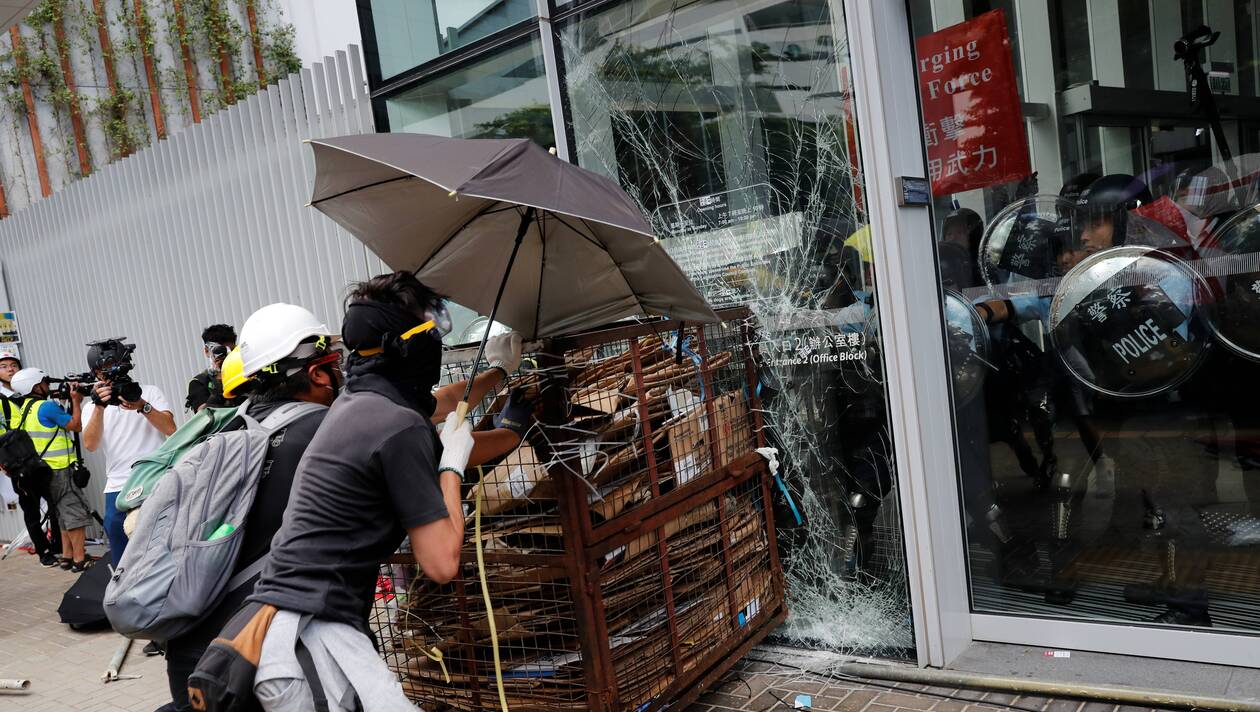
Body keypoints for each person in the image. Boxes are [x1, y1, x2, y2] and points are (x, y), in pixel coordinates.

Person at [229, 272, 522, 711]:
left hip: (287, 624)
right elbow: (441, 562)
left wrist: (499, 373)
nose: (436, 340)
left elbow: (440, 403)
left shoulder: (361, 400)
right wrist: (452, 467)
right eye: (429, 328)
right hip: (308, 642)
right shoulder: (396, 425)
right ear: (409, 346)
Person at [160, 303, 342, 712]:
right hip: (252, 650)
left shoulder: (230, 431)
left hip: (193, 640)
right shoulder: (322, 430)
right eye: (335, 363)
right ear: (316, 373)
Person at [80, 338, 176, 569]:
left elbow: (170, 429)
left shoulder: (150, 392)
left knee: (166, 536)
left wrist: (143, 405)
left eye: (115, 367)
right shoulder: (91, 407)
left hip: (156, 476)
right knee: (118, 537)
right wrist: (99, 408)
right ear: (96, 373)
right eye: (104, 371)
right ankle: (125, 586)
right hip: (118, 484)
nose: (110, 375)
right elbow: (91, 445)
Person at [9, 368, 90, 570]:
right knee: (73, 512)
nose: (48, 385)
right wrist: (77, 401)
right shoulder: (45, 407)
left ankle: (66, 556)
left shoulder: (25, 407)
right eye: (45, 381)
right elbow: (75, 425)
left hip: (41, 471)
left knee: (61, 513)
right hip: (59, 468)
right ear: (36, 385)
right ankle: (80, 560)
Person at [185, 324, 243, 412]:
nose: (227, 355)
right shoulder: (199, 382)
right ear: (207, 351)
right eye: (221, 351)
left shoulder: (244, 372)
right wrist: (219, 380)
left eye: (231, 350)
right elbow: (203, 415)